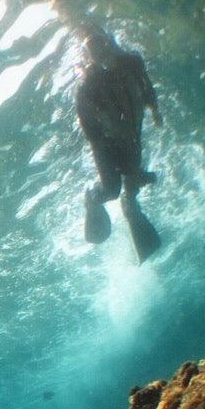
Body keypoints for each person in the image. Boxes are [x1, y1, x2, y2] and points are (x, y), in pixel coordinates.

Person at [74, 23, 163, 262]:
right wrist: (102, 151)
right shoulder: (87, 85)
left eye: (101, 44)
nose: (100, 53)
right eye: (92, 50)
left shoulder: (132, 61)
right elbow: (88, 127)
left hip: (132, 135)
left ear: (109, 41)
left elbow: (146, 86)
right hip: (106, 145)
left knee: (132, 184)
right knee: (112, 189)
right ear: (88, 55)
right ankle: (93, 197)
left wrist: (154, 109)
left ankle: (130, 205)